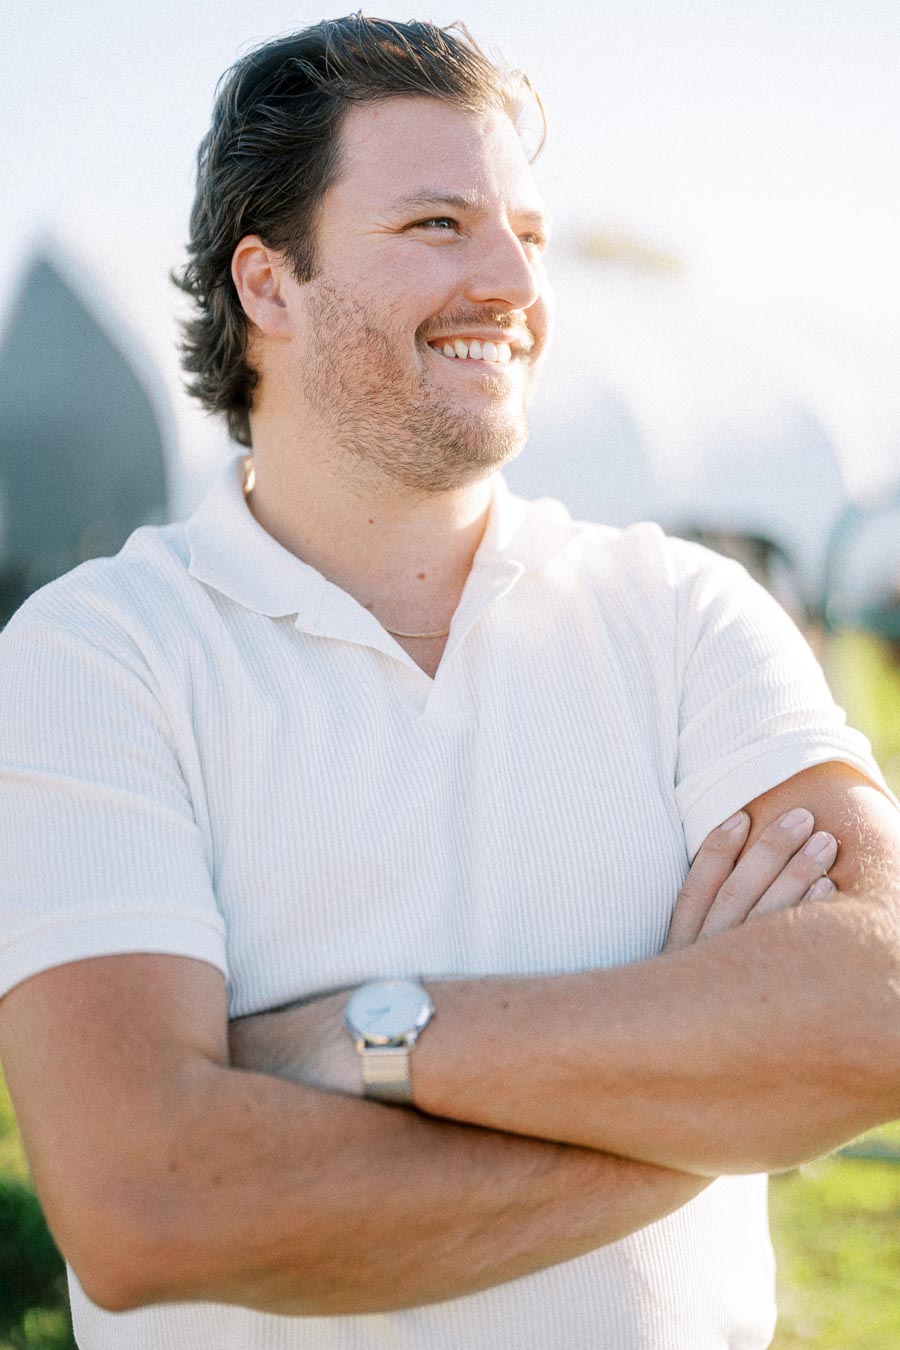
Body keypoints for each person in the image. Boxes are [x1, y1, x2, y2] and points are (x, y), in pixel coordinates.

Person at [0, 16, 898, 1350]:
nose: (513, 284)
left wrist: (369, 1040)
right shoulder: (99, 653)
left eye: (528, 235)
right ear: (269, 284)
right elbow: (147, 1204)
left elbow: (875, 1004)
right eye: (437, 225)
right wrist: (707, 1102)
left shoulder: (685, 613)